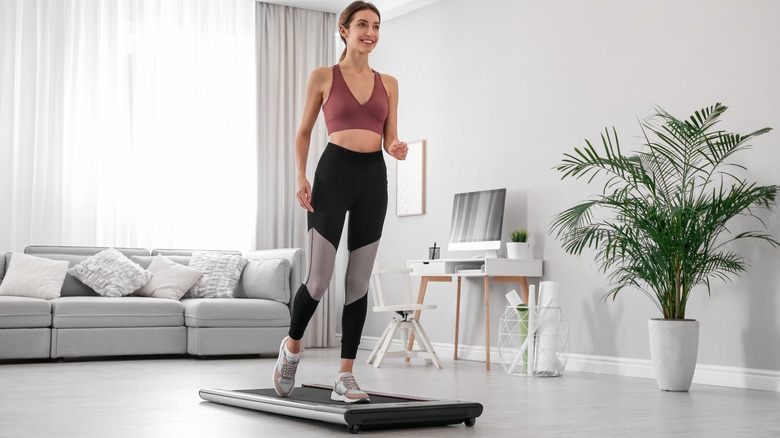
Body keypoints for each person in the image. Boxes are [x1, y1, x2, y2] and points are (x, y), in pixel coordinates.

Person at [273, 1, 408, 404]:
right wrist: (300, 175)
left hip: (373, 178)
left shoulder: (390, 83)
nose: (371, 32)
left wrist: (396, 146)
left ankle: (345, 376)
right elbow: (303, 133)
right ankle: (292, 348)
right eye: (363, 24)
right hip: (332, 175)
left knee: (358, 282)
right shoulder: (323, 77)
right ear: (344, 30)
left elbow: (389, 136)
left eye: (377, 26)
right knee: (318, 279)